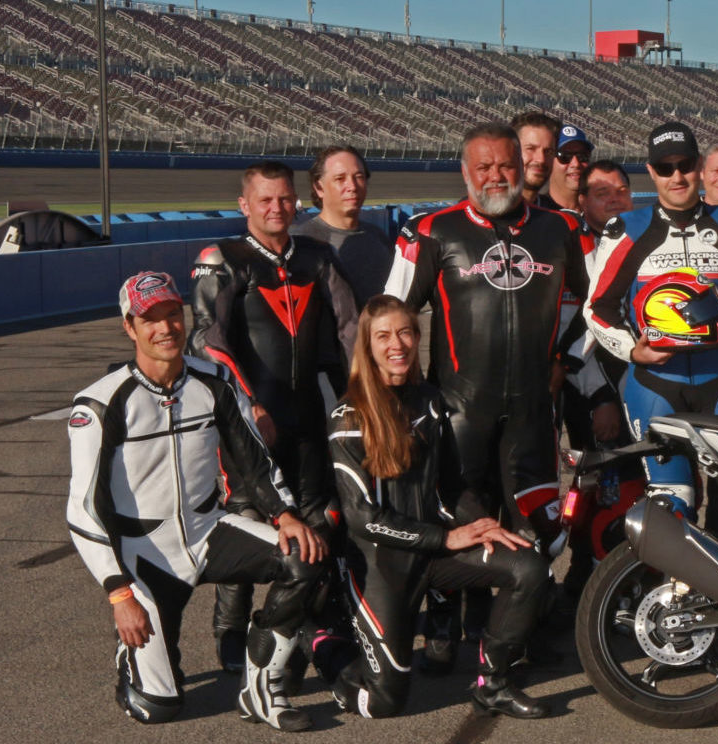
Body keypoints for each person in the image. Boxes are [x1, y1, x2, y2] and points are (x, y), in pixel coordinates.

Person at [68, 272, 325, 730]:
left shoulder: (215, 379)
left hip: (209, 532)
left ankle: (262, 680)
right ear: (129, 327)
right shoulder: (99, 404)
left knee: (302, 558)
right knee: (159, 709)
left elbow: (253, 458)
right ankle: (136, 662)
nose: (165, 328)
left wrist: (285, 514)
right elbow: (83, 511)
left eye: (172, 315)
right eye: (150, 320)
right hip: (145, 555)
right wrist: (119, 593)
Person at [328, 296, 553, 720]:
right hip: (380, 567)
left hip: (434, 555)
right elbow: (363, 519)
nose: (397, 344)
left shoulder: (431, 400)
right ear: (367, 346)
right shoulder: (347, 417)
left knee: (529, 566)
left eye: (406, 332)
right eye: (383, 336)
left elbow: (451, 486)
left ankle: (494, 683)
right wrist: (446, 537)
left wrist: (482, 523)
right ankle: (325, 648)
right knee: (383, 705)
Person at [382, 122, 595, 567]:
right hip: (459, 413)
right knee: (461, 531)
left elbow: (598, 306)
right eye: (484, 167)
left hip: (534, 414)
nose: (495, 175)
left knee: (536, 539)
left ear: (523, 168)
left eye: (505, 164)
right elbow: (389, 319)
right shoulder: (430, 230)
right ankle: (452, 632)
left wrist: (568, 362)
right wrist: (399, 393)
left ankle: (522, 629)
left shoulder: (564, 230)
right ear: (465, 172)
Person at [192, 160, 356, 676]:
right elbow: (207, 342)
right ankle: (230, 628)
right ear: (245, 205)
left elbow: (350, 328)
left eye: (284, 199)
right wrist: (246, 404)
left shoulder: (318, 256)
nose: (276, 208)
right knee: (244, 520)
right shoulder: (222, 259)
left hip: (308, 414)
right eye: (265, 200)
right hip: (248, 420)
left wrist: (358, 398)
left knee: (315, 523)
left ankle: (295, 623)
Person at [588, 121, 718, 528]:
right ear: (651, 170)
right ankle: (678, 593)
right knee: (671, 516)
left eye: (685, 164)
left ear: (699, 167)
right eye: (665, 167)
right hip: (654, 388)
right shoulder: (627, 230)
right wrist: (632, 350)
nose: (676, 176)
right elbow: (597, 308)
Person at [294, 145, 390, 305]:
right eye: (340, 179)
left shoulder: (379, 238)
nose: (352, 187)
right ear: (319, 187)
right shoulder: (300, 244)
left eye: (359, 177)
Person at [510, 111, 562, 210]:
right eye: (531, 149)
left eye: (548, 151)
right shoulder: (481, 212)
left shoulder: (557, 219)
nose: (541, 160)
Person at [546, 123, 595, 214]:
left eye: (582, 156)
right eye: (565, 156)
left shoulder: (599, 215)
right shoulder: (535, 214)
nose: (575, 164)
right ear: (548, 161)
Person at [582, 159, 634, 231]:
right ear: (583, 202)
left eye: (622, 191)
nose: (615, 198)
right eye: (603, 194)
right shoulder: (570, 239)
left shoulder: (650, 237)